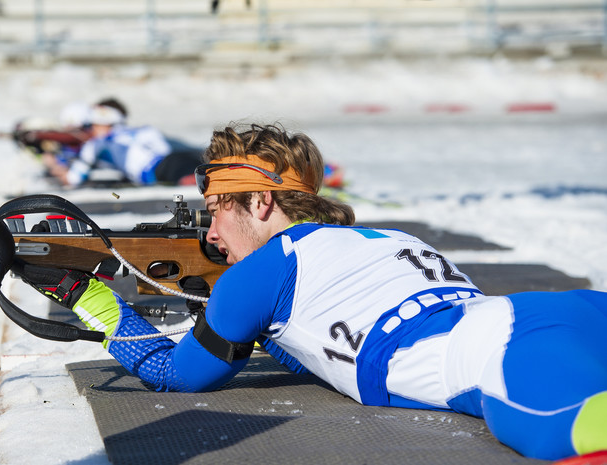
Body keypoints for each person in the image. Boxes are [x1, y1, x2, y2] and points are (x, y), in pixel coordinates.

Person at [30, 123, 607, 462]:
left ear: (260, 202)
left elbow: (174, 374)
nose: (210, 235)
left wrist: (88, 298)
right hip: (551, 313)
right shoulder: (388, 237)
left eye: (215, 211)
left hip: (494, 350)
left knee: (579, 437)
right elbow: (313, 346)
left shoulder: (263, 272)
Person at [50, 98, 202, 187]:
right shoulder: (136, 131)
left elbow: (73, 179)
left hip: (161, 169)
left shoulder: (96, 144)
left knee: (196, 181)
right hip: (173, 160)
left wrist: (53, 165)